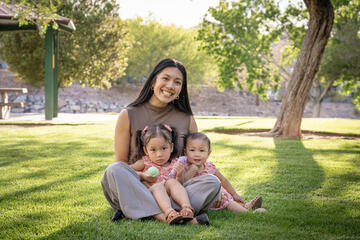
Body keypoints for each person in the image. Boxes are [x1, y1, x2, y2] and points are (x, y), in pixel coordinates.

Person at [101, 58, 221, 225]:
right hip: (139, 187)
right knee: (114, 170)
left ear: (181, 89)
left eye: (177, 82)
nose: (170, 86)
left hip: (174, 189)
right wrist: (142, 175)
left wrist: (234, 198)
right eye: (165, 78)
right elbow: (122, 165)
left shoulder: (187, 119)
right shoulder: (128, 115)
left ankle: (141, 210)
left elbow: (197, 161)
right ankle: (168, 215)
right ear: (153, 81)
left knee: (212, 182)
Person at [182, 132, 267, 213]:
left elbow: (223, 180)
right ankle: (247, 212)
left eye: (201, 150)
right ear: (185, 152)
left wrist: (234, 194)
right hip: (206, 198)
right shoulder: (185, 167)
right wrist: (191, 171)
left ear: (208, 153)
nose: (197, 154)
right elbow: (182, 184)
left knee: (229, 200)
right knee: (229, 204)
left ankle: (246, 206)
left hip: (221, 195)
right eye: (192, 150)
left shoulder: (209, 166)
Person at [131, 124, 194, 224]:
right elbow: (127, 172)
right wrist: (143, 176)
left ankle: (186, 208)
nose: (159, 154)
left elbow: (180, 185)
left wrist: (179, 175)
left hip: (171, 196)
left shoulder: (175, 163)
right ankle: (170, 213)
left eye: (164, 148)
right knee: (158, 186)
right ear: (145, 150)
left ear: (171, 147)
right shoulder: (144, 162)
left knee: (172, 182)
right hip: (152, 196)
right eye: (153, 150)